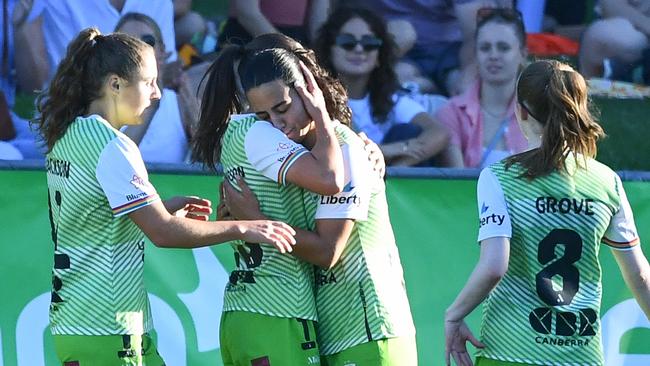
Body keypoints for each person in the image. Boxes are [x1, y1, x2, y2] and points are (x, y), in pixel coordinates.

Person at [35, 28, 296, 365]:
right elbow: (163, 233)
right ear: (115, 85)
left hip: (74, 324)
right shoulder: (112, 145)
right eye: (149, 82)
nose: (157, 94)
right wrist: (244, 227)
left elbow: (90, 219)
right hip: (109, 324)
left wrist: (159, 209)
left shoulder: (69, 135)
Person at [207, 39, 417, 364]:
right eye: (263, 115)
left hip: (370, 327)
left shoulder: (346, 148)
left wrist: (258, 221)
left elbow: (327, 251)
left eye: (283, 108)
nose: (278, 124)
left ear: (309, 90)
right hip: (330, 329)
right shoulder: (297, 158)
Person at [444, 59, 650, 366]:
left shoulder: (499, 177)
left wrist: (454, 315)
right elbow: (639, 274)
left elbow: (494, 266)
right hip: (580, 355)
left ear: (521, 111)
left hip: (509, 350)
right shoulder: (607, 182)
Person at [315, 6, 450, 166]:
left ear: (380, 55)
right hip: (341, 183)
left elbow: (439, 132)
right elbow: (345, 151)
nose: (359, 49)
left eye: (369, 43)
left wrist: (399, 165)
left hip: (388, 183)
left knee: (408, 132)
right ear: (329, 50)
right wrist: (388, 150)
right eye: (347, 42)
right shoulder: (316, 99)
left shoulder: (390, 98)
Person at [435, 7, 528, 169]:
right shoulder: (451, 113)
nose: (493, 55)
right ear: (476, 55)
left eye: (503, 48)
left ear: (523, 54)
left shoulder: (541, 113)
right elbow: (457, 186)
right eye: (485, 48)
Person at [115, 12, 198, 164]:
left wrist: (197, 123)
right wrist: (150, 108)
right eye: (126, 43)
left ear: (162, 51)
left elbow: (213, 165)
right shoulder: (100, 104)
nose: (138, 50)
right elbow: (115, 162)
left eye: (147, 41)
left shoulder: (181, 102)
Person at [218, 0, 331, 48]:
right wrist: (290, 49)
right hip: (247, 39)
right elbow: (247, 14)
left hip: (296, 40)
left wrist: (323, 51)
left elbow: (318, 21)